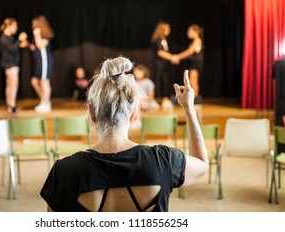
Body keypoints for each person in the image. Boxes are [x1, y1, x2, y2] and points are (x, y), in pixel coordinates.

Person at [40, 56, 208, 212]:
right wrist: (189, 109)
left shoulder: (63, 172)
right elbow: (201, 163)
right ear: (133, 114)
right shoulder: (163, 160)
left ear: (92, 113)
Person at [0, 18, 28, 113]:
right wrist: (19, 40)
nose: (16, 28)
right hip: (10, 64)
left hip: (12, 63)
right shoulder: (4, 38)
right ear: (9, 26)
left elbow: (13, 47)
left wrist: (19, 44)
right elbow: (12, 49)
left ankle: (11, 105)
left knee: (10, 85)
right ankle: (11, 106)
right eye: (15, 26)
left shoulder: (9, 38)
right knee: (13, 85)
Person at [171, 24, 204, 97]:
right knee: (191, 81)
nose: (188, 33)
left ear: (196, 32)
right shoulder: (193, 41)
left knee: (193, 81)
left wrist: (177, 57)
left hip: (196, 63)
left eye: (189, 31)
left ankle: (195, 100)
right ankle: (194, 99)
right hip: (193, 63)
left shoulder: (197, 40)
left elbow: (189, 52)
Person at [30, 15, 54, 112]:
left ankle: (45, 104)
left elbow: (40, 45)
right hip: (39, 62)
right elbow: (35, 47)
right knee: (34, 81)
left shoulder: (45, 35)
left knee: (44, 82)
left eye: (34, 25)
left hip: (45, 62)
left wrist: (36, 35)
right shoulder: (39, 35)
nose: (33, 26)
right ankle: (45, 101)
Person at [151, 21, 174, 109]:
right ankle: (156, 99)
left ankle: (165, 99)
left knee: (165, 81)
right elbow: (160, 52)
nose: (169, 30)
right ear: (162, 29)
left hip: (164, 64)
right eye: (168, 29)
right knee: (158, 81)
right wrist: (172, 57)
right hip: (158, 64)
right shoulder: (158, 39)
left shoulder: (164, 39)